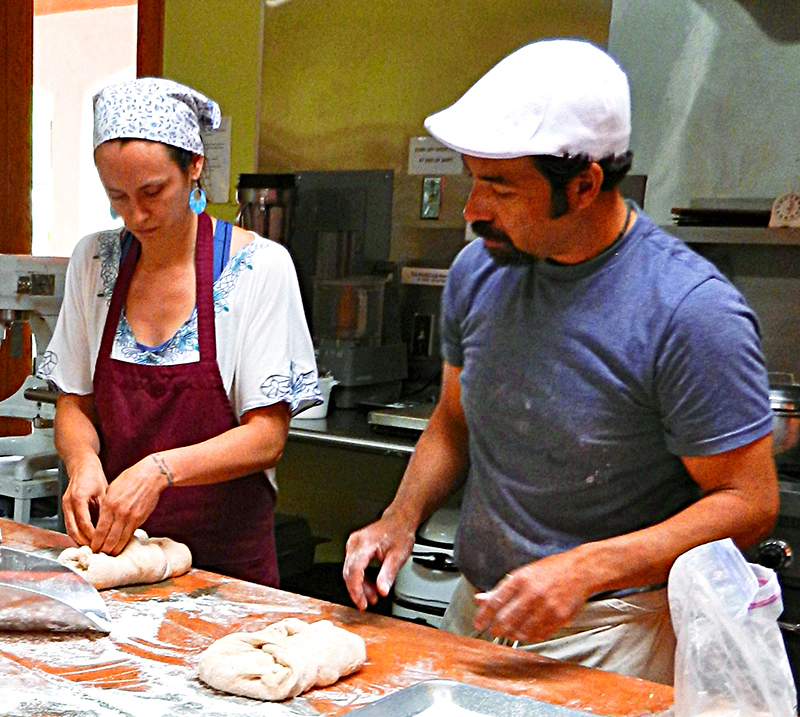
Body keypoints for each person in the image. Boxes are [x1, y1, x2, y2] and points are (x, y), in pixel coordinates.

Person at [343, 39, 779, 684]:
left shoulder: (688, 312)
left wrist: (586, 567)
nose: (472, 211)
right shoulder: (479, 271)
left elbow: (748, 500)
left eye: (499, 186)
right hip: (483, 614)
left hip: (615, 632)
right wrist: (398, 518)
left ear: (583, 185)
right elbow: (454, 420)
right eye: (472, 178)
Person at [38, 78, 321, 587]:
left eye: (152, 192)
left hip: (228, 573)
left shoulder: (258, 267)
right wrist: (81, 461)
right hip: (117, 560)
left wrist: (159, 470)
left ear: (194, 166)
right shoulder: (94, 262)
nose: (136, 215)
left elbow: (266, 437)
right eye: (116, 196)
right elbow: (74, 404)